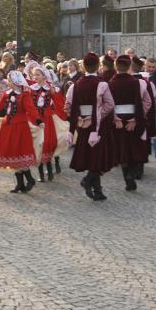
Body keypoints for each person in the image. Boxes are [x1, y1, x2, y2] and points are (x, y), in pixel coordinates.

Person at [0, 71, 39, 193]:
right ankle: (20, 184)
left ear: (15, 82)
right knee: (11, 154)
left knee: (18, 153)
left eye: (9, 80)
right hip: (8, 126)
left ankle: (30, 179)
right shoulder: (7, 94)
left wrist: (38, 120)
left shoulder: (24, 95)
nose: (7, 82)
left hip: (20, 127)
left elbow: (31, 108)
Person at [65, 52, 114, 200]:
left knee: (92, 156)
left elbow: (68, 106)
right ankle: (89, 181)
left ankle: (97, 190)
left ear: (83, 66)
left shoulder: (76, 85)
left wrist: (80, 116)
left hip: (82, 123)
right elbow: (110, 104)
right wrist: (99, 113)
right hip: (98, 125)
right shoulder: (102, 84)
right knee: (99, 156)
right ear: (98, 66)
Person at [108, 55, 149, 191]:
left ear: (116, 67)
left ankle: (128, 178)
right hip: (132, 117)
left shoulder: (111, 83)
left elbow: (109, 103)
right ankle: (132, 173)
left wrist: (114, 117)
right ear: (129, 67)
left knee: (122, 150)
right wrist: (136, 118)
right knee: (133, 148)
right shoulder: (135, 82)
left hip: (118, 119)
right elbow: (139, 101)